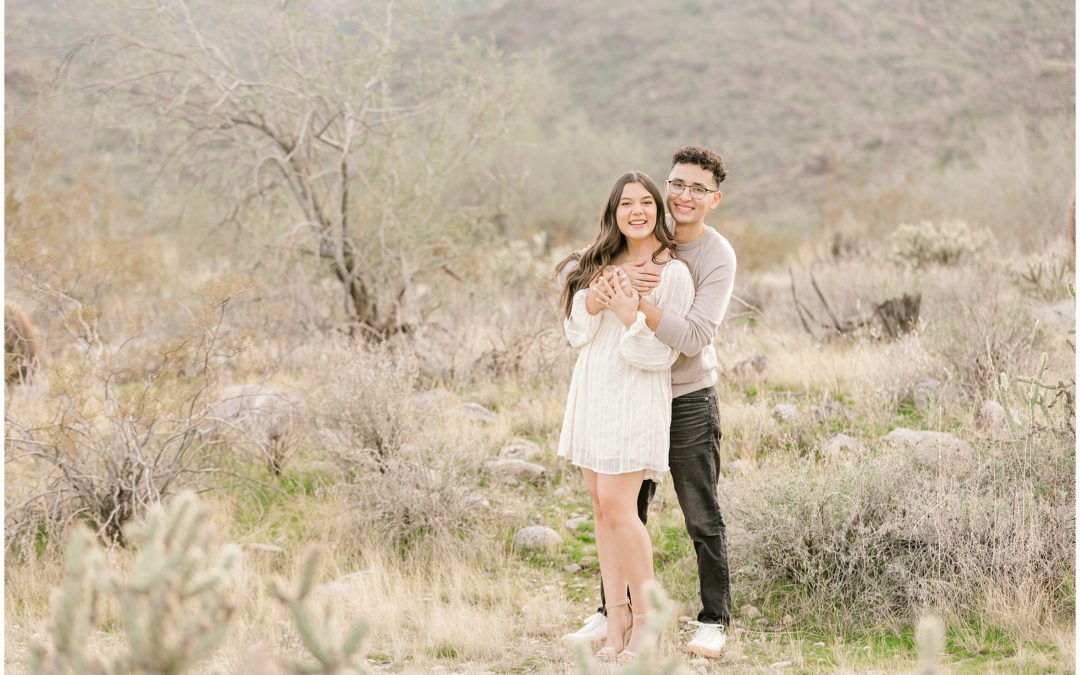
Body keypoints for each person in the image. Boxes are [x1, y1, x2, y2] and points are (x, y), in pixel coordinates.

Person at [561, 146, 736, 658]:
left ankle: (712, 618)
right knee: (617, 507)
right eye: (677, 184)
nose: (684, 195)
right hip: (616, 394)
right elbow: (581, 314)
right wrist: (601, 295)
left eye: (696, 188)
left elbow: (696, 334)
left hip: (684, 394)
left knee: (698, 511)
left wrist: (635, 306)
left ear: (713, 199)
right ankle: (610, 615)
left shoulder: (707, 256)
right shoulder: (616, 257)